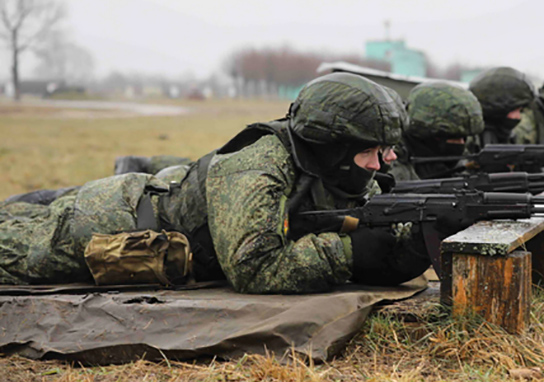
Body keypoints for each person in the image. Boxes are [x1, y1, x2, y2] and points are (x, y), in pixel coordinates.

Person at [0, 73, 431, 293]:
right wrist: (344, 253)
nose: (388, 160)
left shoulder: (342, 171)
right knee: (15, 245)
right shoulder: (259, 164)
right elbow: (254, 267)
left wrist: (417, 245)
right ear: (335, 146)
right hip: (113, 225)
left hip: (162, 209)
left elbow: (376, 237)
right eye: (375, 148)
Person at [388, 81, 484, 181]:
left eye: (464, 137)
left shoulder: (462, 158)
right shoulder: (391, 158)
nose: (461, 143)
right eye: (452, 137)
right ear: (427, 135)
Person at [467, 67, 536, 149]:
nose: (518, 116)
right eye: (515, 110)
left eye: (520, 111)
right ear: (497, 110)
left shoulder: (514, 138)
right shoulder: (468, 142)